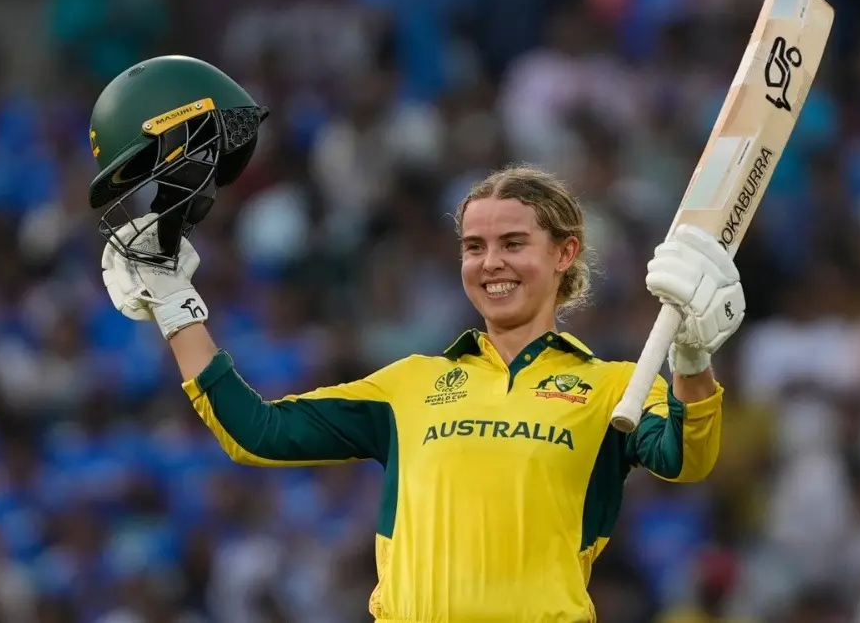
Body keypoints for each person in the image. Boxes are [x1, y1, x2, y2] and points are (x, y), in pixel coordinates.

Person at [92, 55, 747, 622]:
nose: (491, 263)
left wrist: (690, 358)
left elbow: (686, 457)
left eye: (514, 243)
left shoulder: (613, 387)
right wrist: (175, 308)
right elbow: (256, 432)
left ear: (564, 254)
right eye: (474, 246)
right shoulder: (409, 385)